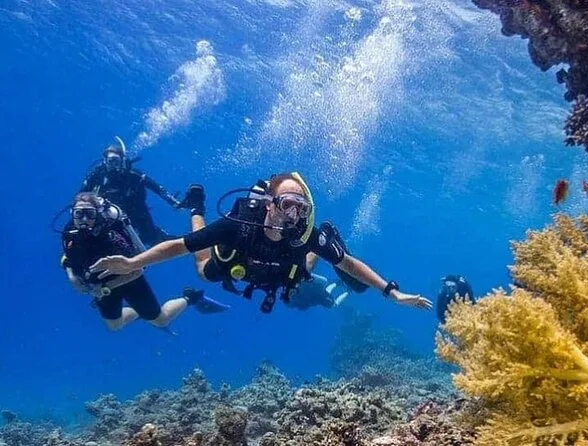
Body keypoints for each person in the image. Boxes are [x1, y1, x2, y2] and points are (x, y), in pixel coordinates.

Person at [90, 172, 433, 313]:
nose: (294, 214)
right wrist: (134, 263)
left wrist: (392, 292)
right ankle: (197, 207)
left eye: (301, 208)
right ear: (270, 204)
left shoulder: (304, 233)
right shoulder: (238, 225)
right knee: (203, 268)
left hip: (282, 273)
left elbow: (347, 263)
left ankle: (327, 240)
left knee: (310, 259)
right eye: (288, 204)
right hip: (236, 263)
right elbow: (181, 245)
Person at [61, 192, 228, 332]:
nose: (84, 219)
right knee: (115, 326)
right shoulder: (69, 233)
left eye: (90, 214)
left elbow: (138, 269)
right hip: (101, 286)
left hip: (129, 281)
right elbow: (68, 257)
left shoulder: (112, 238)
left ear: (97, 215)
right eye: (79, 214)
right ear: (72, 214)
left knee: (161, 320)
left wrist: (105, 288)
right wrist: (72, 276)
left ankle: (191, 297)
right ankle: (141, 313)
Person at [80, 136, 183, 246]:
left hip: (137, 212)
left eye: (116, 161)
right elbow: (81, 196)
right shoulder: (98, 175)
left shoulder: (134, 175)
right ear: (105, 161)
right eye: (110, 161)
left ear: (122, 161)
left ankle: (168, 239)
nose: (113, 165)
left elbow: (156, 188)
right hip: (111, 215)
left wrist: (174, 202)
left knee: (150, 238)